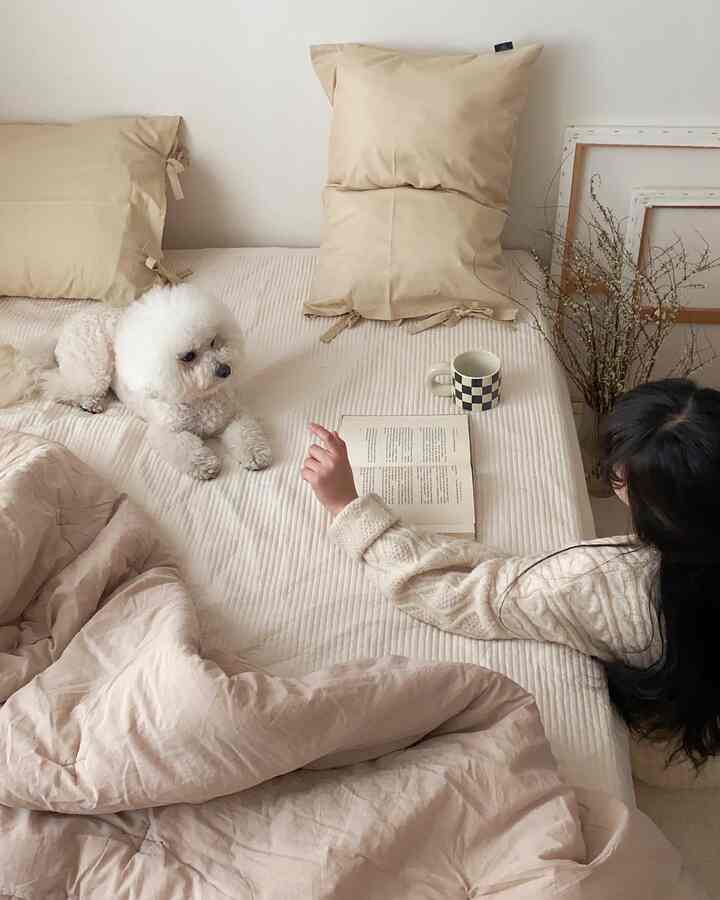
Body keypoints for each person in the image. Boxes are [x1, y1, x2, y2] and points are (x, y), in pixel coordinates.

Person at [301, 378, 720, 783]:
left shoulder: (607, 580)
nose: (614, 478)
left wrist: (346, 506)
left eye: (620, 477)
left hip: (681, 754)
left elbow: (456, 597)